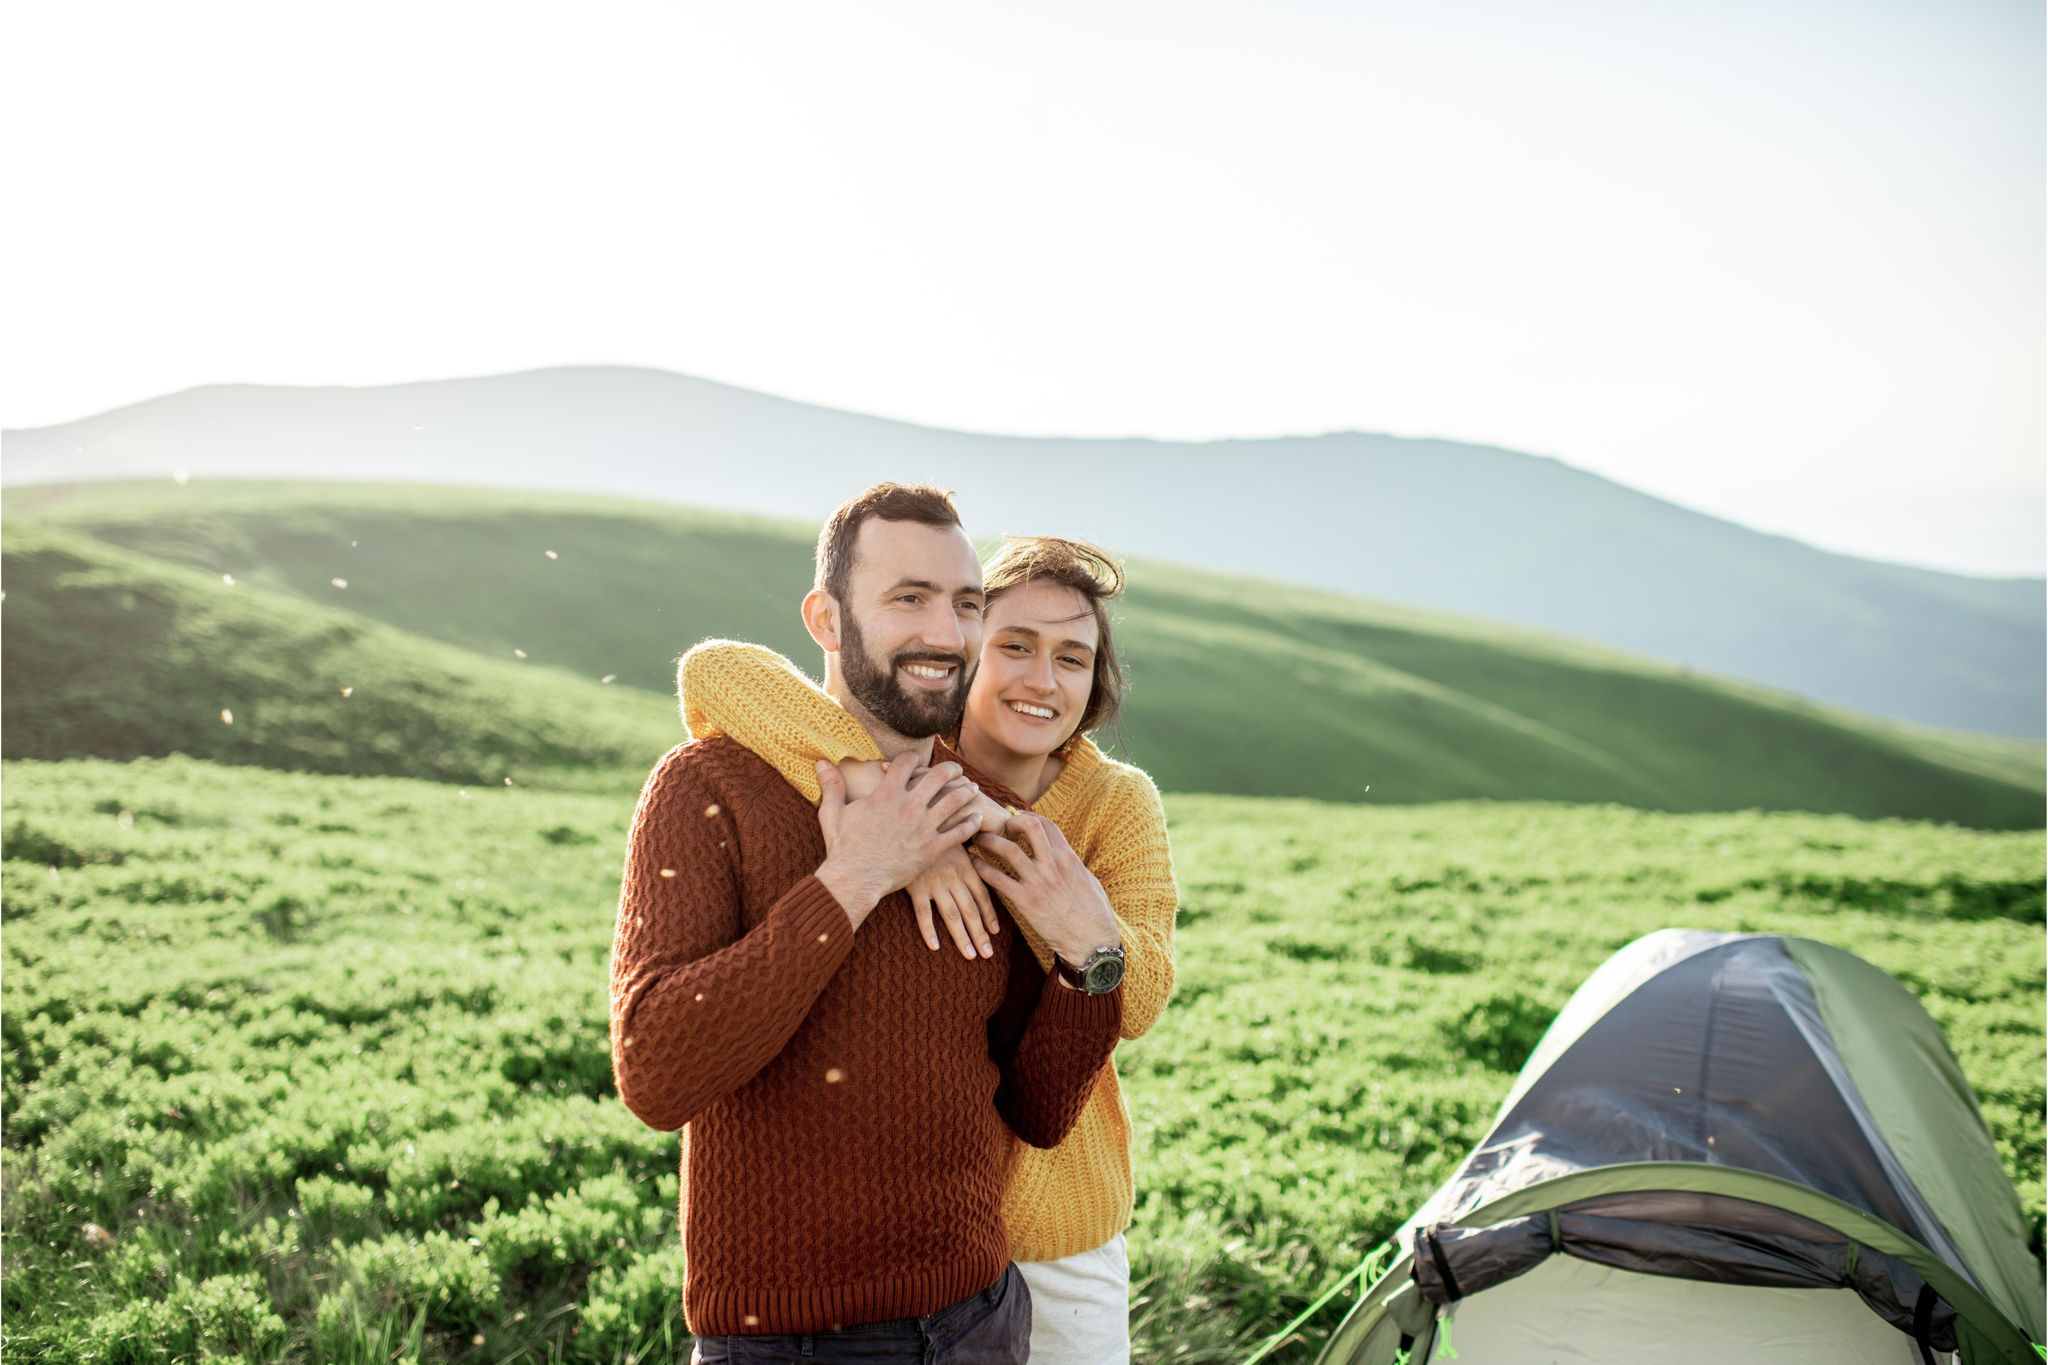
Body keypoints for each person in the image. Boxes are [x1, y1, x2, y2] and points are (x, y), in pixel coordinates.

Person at [608, 483, 1127, 1363]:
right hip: (788, 1342)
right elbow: (656, 1074)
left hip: (982, 1320)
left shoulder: (985, 817)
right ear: (826, 618)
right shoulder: (707, 788)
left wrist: (1090, 960)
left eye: (966, 604)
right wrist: (853, 878)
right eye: (908, 597)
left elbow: (1037, 1110)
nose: (945, 632)